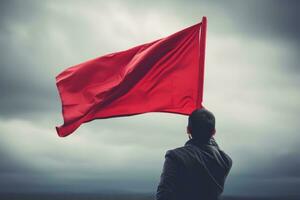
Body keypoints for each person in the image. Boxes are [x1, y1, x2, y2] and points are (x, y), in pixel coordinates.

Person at [156, 108, 232, 200]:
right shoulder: (225, 161)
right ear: (214, 132)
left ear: (188, 130)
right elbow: (214, 148)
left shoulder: (175, 157)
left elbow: (163, 196)